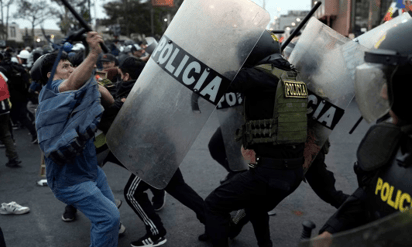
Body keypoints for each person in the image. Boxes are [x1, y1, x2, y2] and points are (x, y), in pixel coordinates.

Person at [314, 19, 412, 246]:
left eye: (390, 82)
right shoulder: (390, 138)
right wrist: (331, 232)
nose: (383, 94)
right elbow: (369, 193)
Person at [204, 30, 308, 247]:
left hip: (270, 174)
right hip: (294, 172)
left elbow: (226, 79)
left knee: (213, 205)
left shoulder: (260, 76)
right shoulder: (291, 76)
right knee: (254, 203)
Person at [100, 56, 200, 247]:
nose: (119, 79)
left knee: (131, 193)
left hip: (152, 155)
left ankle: (156, 233)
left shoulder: (133, 95)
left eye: (121, 75)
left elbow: (111, 115)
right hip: (164, 149)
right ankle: (214, 220)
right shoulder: (144, 88)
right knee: (178, 188)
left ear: (127, 75)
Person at [35, 32, 120, 247]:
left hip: (91, 170)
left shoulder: (79, 89)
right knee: (109, 218)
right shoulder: (51, 91)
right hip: (69, 180)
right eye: (65, 66)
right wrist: (94, 54)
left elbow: (109, 101)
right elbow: (69, 85)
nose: (71, 69)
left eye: (71, 66)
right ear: (49, 74)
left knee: (109, 217)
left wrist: (93, 85)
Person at [0, 52, 37, 144]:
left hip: (11, 96)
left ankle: (10, 140)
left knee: (17, 117)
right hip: (22, 94)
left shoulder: (3, 69)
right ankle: (33, 133)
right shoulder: (14, 66)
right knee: (21, 115)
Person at [0, 66, 21, 168]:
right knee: (6, 134)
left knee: (5, 134)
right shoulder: (0, 74)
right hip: (5, 107)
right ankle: (13, 158)